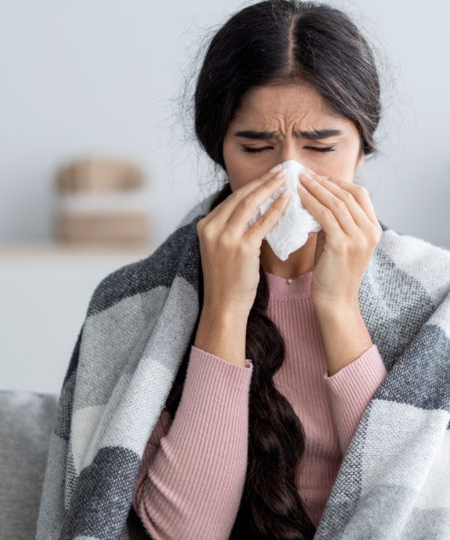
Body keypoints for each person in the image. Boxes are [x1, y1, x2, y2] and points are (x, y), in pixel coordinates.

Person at [131, 1, 387, 538]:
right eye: (255, 146)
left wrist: (338, 308)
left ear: (362, 150)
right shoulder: (138, 301)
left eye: (320, 145)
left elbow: (410, 507)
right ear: (220, 150)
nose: (287, 172)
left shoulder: (439, 293)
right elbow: (182, 533)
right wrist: (224, 309)